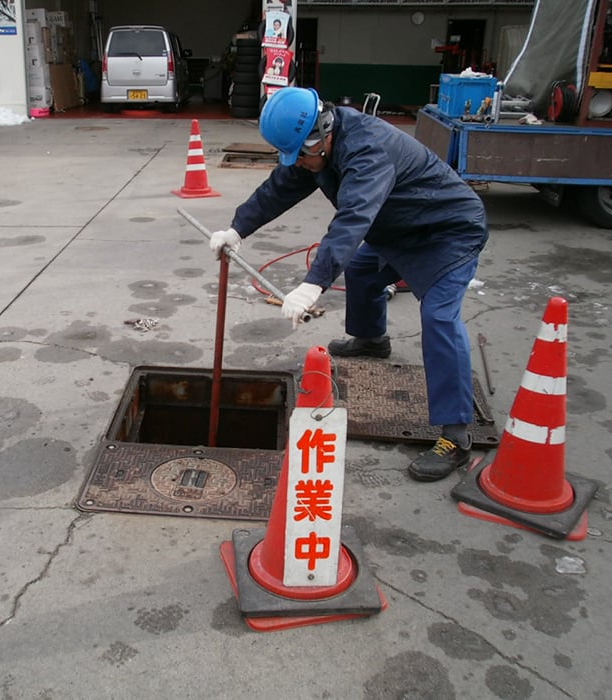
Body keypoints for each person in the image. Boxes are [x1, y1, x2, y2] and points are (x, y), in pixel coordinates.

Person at [209, 86, 488, 482]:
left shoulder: (368, 149)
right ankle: (372, 340)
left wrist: (313, 284)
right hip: (396, 229)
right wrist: (237, 228)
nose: (299, 164)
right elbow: (281, 187)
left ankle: (456, 435)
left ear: (322, 136)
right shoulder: (317, 146)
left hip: (447, 231)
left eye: (301, 156)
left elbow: (353, 218)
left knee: (440, 317)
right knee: (361, 271)